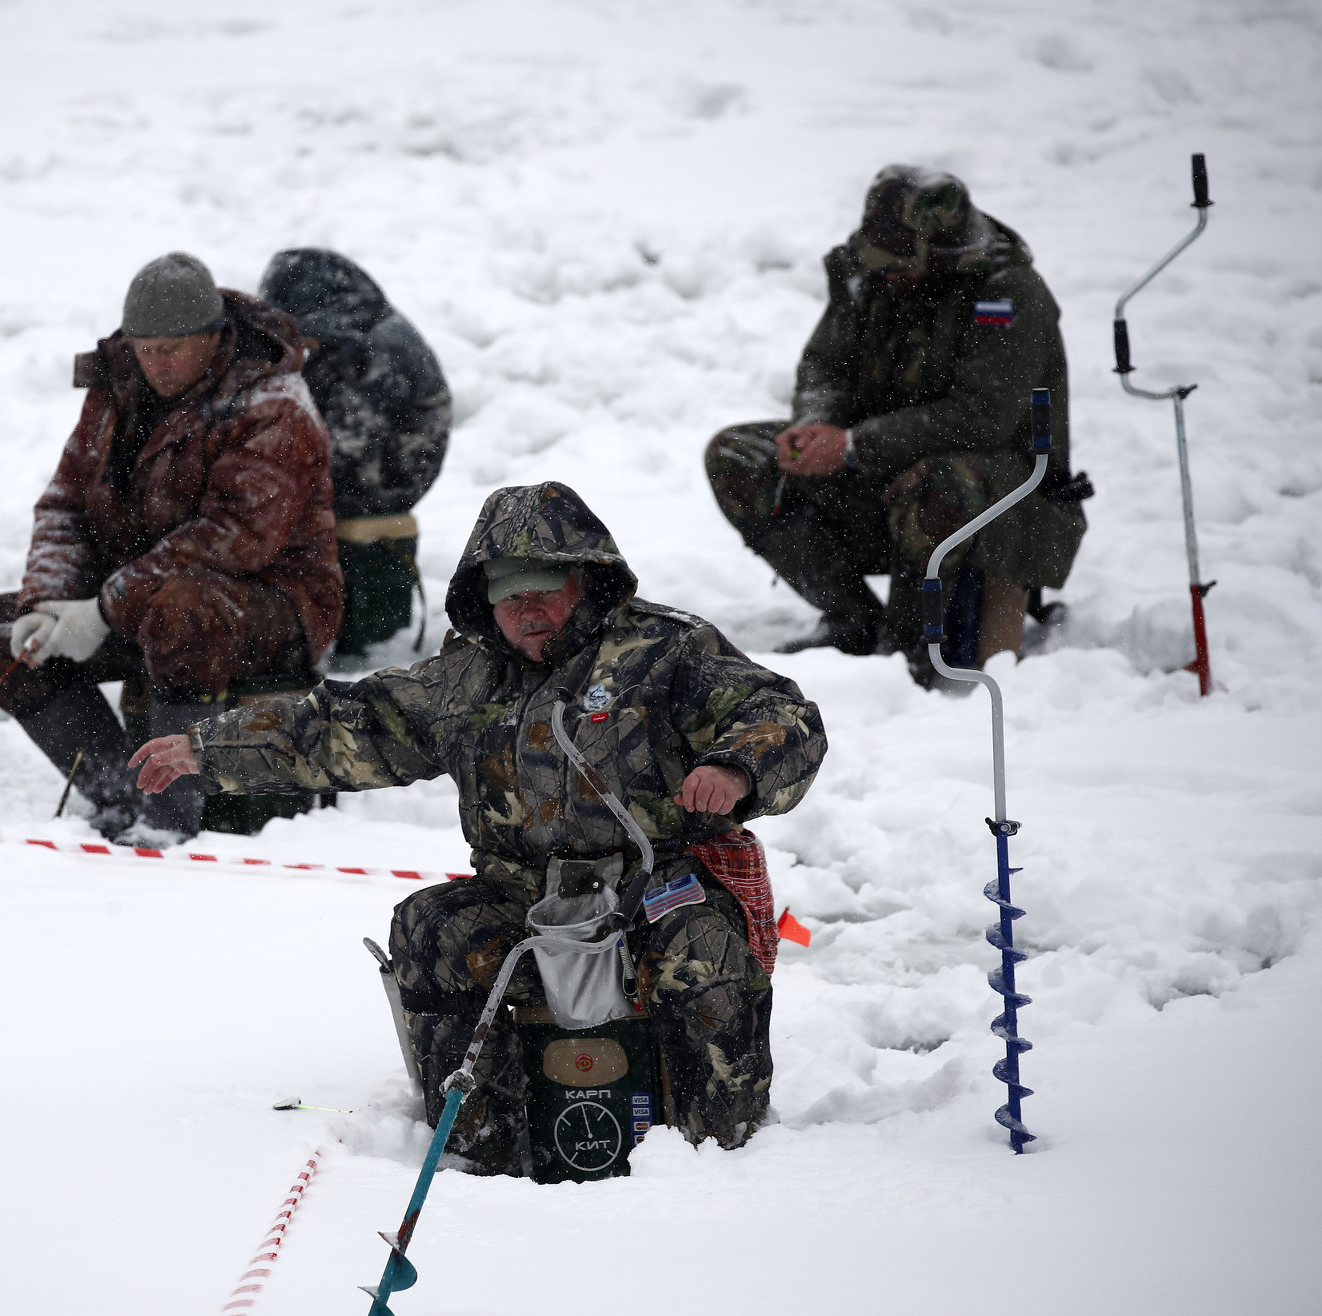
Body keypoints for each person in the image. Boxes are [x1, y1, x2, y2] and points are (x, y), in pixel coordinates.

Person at [131, 482, 826, 1168]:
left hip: (656, 888)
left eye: (543, 590)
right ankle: (479, 1156)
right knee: (432, 927)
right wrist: (211, 747)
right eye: (508, 594)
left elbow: (779, 713)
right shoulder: (465, 677)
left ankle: (716, 1158)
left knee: (700, 952)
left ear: (584, 580)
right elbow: (353, 723)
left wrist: (737, 768)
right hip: (521, 895)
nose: (527, 611)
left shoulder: (666, 650)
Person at [0, 252, 341, 843]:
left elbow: (233, 536)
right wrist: (49, 601)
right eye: (145, 348)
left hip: (274, 605)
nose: (157, 364)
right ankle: (118, 792)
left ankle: (167, 821)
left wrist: (105, 610)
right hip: (143, 598)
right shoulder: (118, 390)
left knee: (180, 611)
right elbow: (65, 502)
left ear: (214, 338)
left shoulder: (275, 405)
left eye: (173, 348)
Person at [704, 165, 1091, 682]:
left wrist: (855, 444)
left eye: (901, 262)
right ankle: (853, 621)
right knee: (740, 456)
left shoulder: (1006, 294)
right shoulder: (871, 272)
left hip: (1004, 499)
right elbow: (826, 364)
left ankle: (907, 653)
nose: (888, 274)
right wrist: (815, 427)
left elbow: (982, 417)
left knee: (935, 480)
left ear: (943, 249)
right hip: (881, 465)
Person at [258, 249, 450, 662]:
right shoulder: (357, 329)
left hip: (382, 480)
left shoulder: (375, 355)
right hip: (368, 463)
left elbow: (342, 453)